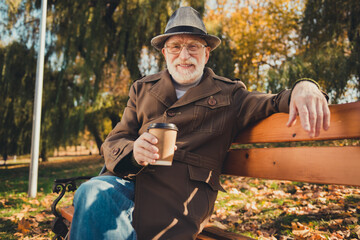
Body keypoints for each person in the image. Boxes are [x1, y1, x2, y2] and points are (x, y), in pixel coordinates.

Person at [70, 6, 330, 240]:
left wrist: (305, 86)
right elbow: (116, 140)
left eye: (193, 46)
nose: (184, 55)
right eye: (175, 46)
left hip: (177, 201)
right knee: (91, 193)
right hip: (128, 186)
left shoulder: (230, 94)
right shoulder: (142, 89)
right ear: (165, 53)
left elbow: (273, 102)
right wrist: (134, 151)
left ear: (206, 54)